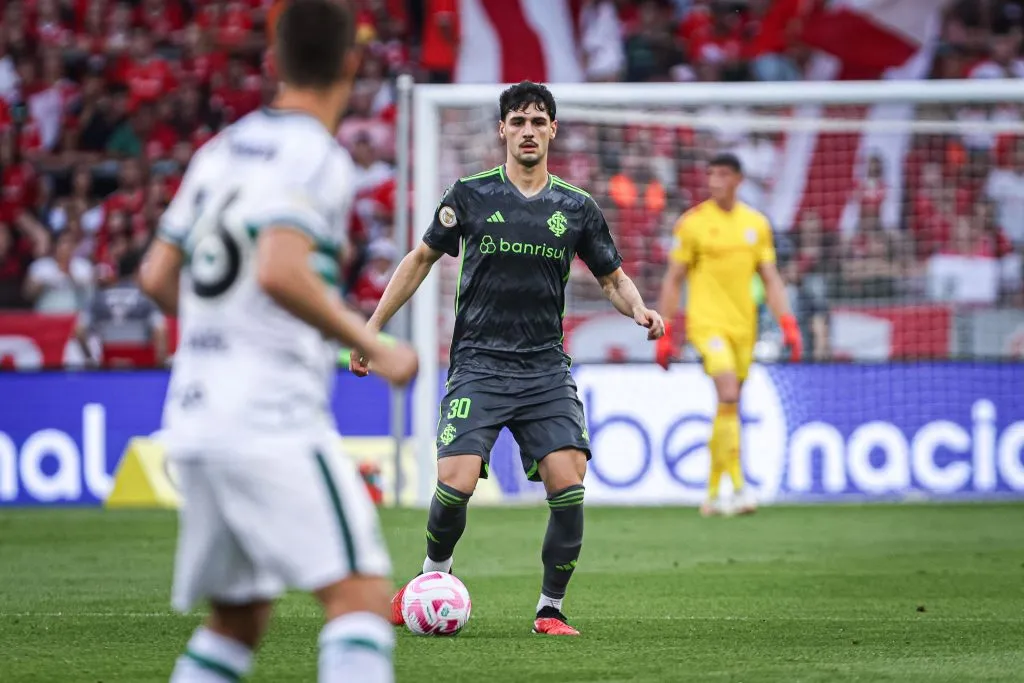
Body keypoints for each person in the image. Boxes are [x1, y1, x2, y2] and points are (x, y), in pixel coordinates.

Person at [138, 1, 418, 681]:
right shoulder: (316, 155)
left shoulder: (220, 149)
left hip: (197, 412)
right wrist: (375, 345)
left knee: (239, 617)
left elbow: (155, 275)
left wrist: (221, 332)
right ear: (353, 63)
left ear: (273, 57)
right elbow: (279, 268)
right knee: (358, 594)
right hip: (269, 418)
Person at [351, 81, 665, 636]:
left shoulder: (576, 207)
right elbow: (420, 259)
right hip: (479, 362)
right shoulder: (471, 195)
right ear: (502, 130)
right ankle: (432, 576)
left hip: (544, 367)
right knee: (456, 482)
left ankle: (550, 608)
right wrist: (372, 331)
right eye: (517, 121)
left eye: (537, 122)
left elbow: (613, 279)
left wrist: (638, 309)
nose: (527, 131)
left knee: (568, 485)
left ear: (552, 131)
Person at [655, 152, 802, 517]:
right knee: (728, 392)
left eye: (722, 174)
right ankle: (737, 488)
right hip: (707, 327)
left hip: (744, 329)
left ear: (738, 179)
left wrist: (788, 323)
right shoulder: (692, 224)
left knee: (729, 405)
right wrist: (666, 330)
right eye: (711, 174)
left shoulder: (756, 224)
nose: (714, 181)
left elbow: (770, 278)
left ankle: (713, 494)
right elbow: (674, 279)